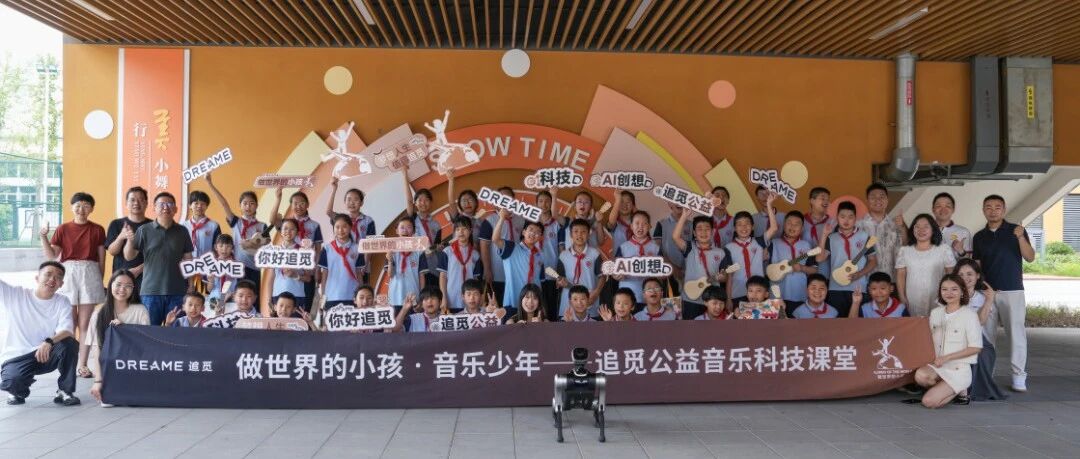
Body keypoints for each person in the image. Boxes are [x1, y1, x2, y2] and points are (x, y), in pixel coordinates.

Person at [39, 192, 106, 379]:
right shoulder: (63, 229)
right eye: (78, 205)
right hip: (67, 273)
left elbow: (102, 258)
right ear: (72, 207)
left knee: (85, 324)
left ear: (91, 209)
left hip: (90, 272)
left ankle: (82, 365)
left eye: (86, 205)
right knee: (69, 323)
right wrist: (43, 236)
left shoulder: (98, 229)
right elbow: (52, 255)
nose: (81, 209)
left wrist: (99, 280)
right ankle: (68, 363)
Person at [972, 194, 1034, 392]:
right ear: (983, 210)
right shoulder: (979, 236)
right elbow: (977, 266)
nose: (993, 211)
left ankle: (1018, 376)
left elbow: (1030, 257)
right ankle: (987, 374)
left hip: (1012, 290)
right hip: (987, 293)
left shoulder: (1016, 230)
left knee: (1016, 335)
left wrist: (1020, 237)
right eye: (988, 207)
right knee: (986, 336)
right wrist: (980, 288)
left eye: (997, 207)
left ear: (1004, 210)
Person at [0, 262, 79, 406]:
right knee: (13, 382)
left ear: (61, 284)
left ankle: (65, 391)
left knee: (69, 343)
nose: (52, 279)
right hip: (17, 356)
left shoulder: (62, 301)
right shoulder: (15, 295)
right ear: (37, 278)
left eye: (58, 277)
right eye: (48, 274)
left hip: (45, 354)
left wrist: (49, 342)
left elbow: (67, 330)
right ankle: (17, 390)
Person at [911, 274, 982, 409]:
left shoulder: (970, 315)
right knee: (920, 376)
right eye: (944, 289)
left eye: (954, 289)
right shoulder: (936, 313)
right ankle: (947, 388)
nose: (949, 293)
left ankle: (959, 389)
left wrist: (947, 358)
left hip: (958, 368)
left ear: (962, 291)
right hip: (938, 366)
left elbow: (976, 347)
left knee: (928, 402)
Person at [123, 192, 194, 326]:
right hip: (150, 292)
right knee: (150, 332)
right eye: (161, 204)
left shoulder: (182, 231)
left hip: (177, 291)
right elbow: (129, 256)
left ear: (175, 209)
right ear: (154, 208)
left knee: (175, 332)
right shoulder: (144, 230)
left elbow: (188, 260)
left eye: (169, 204)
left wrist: (191, 285)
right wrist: (130, 241)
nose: (165, 207)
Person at [87, 270, 150, 405]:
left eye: (128, 286)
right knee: (109, 400)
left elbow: (145, 344)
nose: (122, 289)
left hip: (133, 364)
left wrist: (125, 330)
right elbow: (97, 349)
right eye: (119, 284)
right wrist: (98, 381)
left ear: (134, 289)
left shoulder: (140, 310)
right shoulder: (98, 313)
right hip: (109, 366)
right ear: (111, 285)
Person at [954, 258, 1007, 402]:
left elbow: (980, 323)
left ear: (977, 276)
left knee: (983, 353)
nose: (965, 278)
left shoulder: (983, 297)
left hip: (978, 340)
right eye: (961, 274)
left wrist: (989, 300)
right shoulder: (949, 294)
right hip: (954, 339)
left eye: (969, 274)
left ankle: (974, 390)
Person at [205, 173, 268, 289]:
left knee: (253, 296)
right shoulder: (236, 222)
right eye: (245, 203)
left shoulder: (262, 226)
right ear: (240, 206)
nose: (248, 206)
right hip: (237, 267)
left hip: (254, 269)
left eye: (252, 203)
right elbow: (224, 204)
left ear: (256, 206)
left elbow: (267, 246)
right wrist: (210, 184)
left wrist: (252, 244)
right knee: (236, 296)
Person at [816, 200, 877, 317]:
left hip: (859, 288)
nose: (846, 220)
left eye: (850, 217)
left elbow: (873, 261)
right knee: (837, 325)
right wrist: (824, 235)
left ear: (855, 218)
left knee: (858, 324)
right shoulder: (831, 238)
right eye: (842, 216)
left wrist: (859, 274)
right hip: (835, 289)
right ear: (837, 218)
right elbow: (819, 258)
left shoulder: (865, 236)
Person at [673, 210, 731, 320]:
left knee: (712, 329)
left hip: (713, 301)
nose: (703, 232)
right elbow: (675, 237)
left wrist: (722, 277)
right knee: (691, 329)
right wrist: (684, 216)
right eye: (699, 229)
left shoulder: (720, 252)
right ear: (694, 233)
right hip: (691, 299)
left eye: (707, 229)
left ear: (713, 231)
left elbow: (725, 277)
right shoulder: (689, 248)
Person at [896, 214, 956, 317]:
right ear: (912, 229)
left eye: (926, 226)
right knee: (916, 325)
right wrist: (902, 296)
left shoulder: (944, 249)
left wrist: (950, 296)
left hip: (938, 297)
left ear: (933, 229)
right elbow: (900, 275)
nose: (921, 230)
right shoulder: (904, 250)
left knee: (937, 324)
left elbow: (951, 275)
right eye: (917, 227)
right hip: (913, 298)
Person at [725, 195, 777, 309]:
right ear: (734, 228)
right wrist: (728, 299)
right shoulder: (728, 248)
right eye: (739, 224)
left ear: (753, 227)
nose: (744, 227)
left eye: (747, 224)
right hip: (737, 293)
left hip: (758, 293)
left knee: (759, 319)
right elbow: (729, 276)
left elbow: (774, 228)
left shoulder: (759, 242)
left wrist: (769, 205)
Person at [491, 209, 545, 315]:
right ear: (523, 232)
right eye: (531, 230)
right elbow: (495, 239)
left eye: (537, 232)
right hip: (512, 302)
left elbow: (540, 281)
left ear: (540, 237)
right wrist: (501, 218)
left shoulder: (540, 255)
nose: (533, 233)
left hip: (532, 305)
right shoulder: (511, 248)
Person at [479, 186, 525, 306]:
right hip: (497, 271)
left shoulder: (521, 220)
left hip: (516, 271)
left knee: (515, 304)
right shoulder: (489, 220)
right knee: (497, 305)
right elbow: (484, 246)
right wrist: (487, 269)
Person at [326, 177, 375, 283]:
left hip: (362, 263)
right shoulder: (341, 219)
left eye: (356, 199)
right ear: (345, 202)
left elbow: (370, 244)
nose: (352, 203)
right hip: (343, 261)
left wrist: (364, 264)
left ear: (361, 203)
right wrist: (334, 189)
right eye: (349, 199)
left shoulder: (368, 221)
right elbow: (329, 212)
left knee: (361, 290)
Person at [555, 218, 605, 317]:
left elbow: (602, 276)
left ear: (589, 234)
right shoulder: (563, 256)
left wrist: (596, 293)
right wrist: (560, 282)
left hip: (590, 300)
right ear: (570, 234)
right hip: (568, 303)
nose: (579, 235)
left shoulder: (595, 254)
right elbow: (559, 278)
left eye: (583, 232)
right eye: (576, 231)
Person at [771, 213, 818, 317]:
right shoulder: (773, 244)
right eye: (789, 223)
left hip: (799, 294)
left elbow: (814, 270)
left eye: (797, 224)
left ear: (802, 228)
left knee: (798, 326)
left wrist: (802, 268)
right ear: (784, 225)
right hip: (777, 296)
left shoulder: (806, 245)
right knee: (777, 326)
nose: (792, 226)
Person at [105, 186, 150, 295]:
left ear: (146, 203)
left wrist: (138, 270)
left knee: (143, 305)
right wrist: (121, 237)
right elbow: (112, 251)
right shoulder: (116, 224)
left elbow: (158, 256)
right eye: (132, 200)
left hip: (147, 277)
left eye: (140, 199)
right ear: (126, 203)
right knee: (121, 305)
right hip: (121, 277)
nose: (136, 203)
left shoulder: (152, 226)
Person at [262, 219, 313, 313]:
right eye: (285, 228)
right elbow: (271, 278)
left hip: (297, 296)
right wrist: (269, 300)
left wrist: (296, 276)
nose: (288, 232)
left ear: (297, 232)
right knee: (278, 322)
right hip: (277, 296)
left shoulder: (303, 251)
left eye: (292, 229)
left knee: (296, 322)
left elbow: (308, 278)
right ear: (280, 231)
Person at [856, 183, 906, 278]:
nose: (878, 200)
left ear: (887, 200)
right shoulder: (858, 226)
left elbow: (905, 245)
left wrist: (903, 227)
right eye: (873, 197)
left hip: (891, 279)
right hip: (865, 280)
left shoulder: (895, 225)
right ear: (867, 200)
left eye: (882, 197)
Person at [319, 214, 366, 310]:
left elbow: (359, 274)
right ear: (333, 228)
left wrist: (361, 295)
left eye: (344, 226)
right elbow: (324, 274)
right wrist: (322, 296)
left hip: (352, 295)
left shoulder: (357, 248)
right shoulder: (327, 248)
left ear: (350, 227)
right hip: (331, 296)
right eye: (337, 227)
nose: (340, 230)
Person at [613, 210, 661, 305]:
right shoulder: (623, 247)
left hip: (649, 297)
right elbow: (615, 271)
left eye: (644, 224)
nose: (640, 227)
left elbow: (661, 273)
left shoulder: (656, 248)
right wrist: (617, 276)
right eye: (637, 223)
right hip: (627, 296)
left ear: (649, 226)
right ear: (631, 226)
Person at [403, 171, 442, 287]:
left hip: (432, 266)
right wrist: (404, 174)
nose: (423, 203)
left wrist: (438, 248)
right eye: (420, 200)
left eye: (426, 200)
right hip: (416, 264)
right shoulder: (412, 219)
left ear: (430, 202)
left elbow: (437, 245)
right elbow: (408, 201)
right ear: (415, 203)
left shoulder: (436, 225)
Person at [438, 216, 483, 312]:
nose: (461, 232)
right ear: (454, 232)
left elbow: (475, 279)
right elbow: (443, 276)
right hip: (451, 298)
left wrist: (479, 299)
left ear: (470, 231)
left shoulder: (475, 254)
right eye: (457, 229)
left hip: (470, 300)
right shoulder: (447, 252)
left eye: (464, 229)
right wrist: (443, 297)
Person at [653, 202, 692, 296]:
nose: (679, 203)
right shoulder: (661, 224)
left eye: (682, 200)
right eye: (675, 201)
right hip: (669, 272)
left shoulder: (692, 224)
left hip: (689, 273)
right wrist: (673, 268)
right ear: (669, 204)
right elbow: (658, 250)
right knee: (672, 301)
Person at [386, 217, 423, 311]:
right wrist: (390, 260)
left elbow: (421, 275)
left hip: (413, 297)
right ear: (397, 231)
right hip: (395, 297)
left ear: (413, 231)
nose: (405, 230)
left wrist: (422, 298)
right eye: (402, 227)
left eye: (409, 227)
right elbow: (390, 275)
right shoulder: (391, 250)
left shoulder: (419, 251)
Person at [181, 190, 222, 259]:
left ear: (207, 206)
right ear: (190, 205)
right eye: (196, 203)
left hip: (207, 263)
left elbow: (218, 248)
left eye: (202, 204)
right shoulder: (183, 226)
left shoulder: (214, 226)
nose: (199, 206)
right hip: (188, 263)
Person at [932, 192, 972, 259]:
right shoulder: (924, 231)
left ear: (953, 209)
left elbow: (967, 261)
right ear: (933, 209)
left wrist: (961, 251)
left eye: (948, 206)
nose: (943, 209)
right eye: (938, 206)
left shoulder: (964, 232)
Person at [206, 234, 238, 312]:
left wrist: (226, 297)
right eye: (221, 246)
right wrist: (211, 281)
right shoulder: (212, 265)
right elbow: (209, 290)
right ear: (215, 247)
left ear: (232, 248)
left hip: (231, 297)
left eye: (228, 246)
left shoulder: (236, 265)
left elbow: (236, 285)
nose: (224, 249)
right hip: (215, 298)